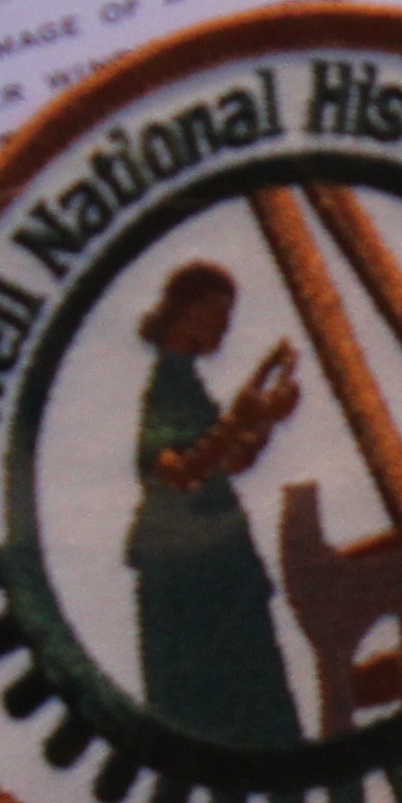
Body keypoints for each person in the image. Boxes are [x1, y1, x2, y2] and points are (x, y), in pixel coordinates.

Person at [128, 261, 309, 745]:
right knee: (217, 686)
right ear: (184, 313)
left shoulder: (186, 384)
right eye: (216, 314)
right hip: (190, 564)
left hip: (218, 558)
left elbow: (232, 462)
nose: (224, 327)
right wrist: (238, 420)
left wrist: (266, 417)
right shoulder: (168, 386)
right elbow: (180, 472)